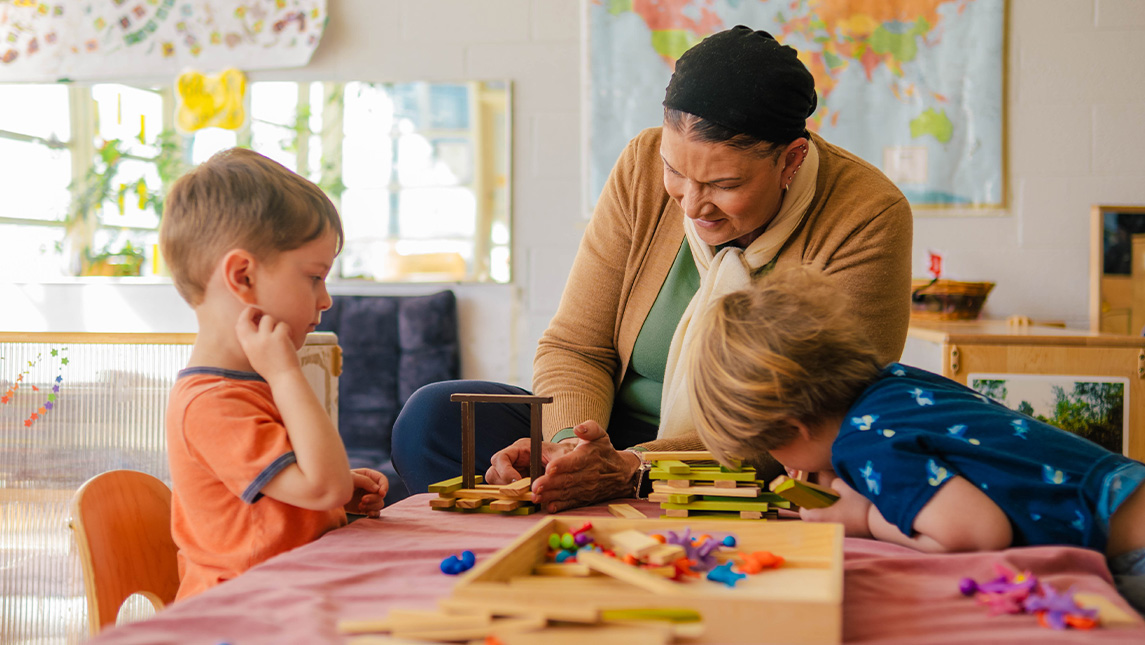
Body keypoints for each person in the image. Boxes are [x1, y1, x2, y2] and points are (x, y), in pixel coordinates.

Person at [391, 25, 913, 512]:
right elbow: (576, 346)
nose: (691, 205)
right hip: (606, 435)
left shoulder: (867, 215)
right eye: (675, 171)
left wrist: (638, 468)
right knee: (432, 419)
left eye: (724, 185)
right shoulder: (639, 165)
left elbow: (823, 418)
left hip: (753, 458)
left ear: (791, 160)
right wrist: (572, 447)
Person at [687, 266, 1145, 615]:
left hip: (1131, 555)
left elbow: (975, 534)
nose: (779, 461)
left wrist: (865, 515)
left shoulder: (864, 444)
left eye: (771, 446)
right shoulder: (893, 383)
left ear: (795, 427)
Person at [160, 148, 388, 600]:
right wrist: (287, 373)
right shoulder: (210, 403)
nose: (326, 300)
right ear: (242, 276)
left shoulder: (246, 384)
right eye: (314, 277)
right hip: (239, 610)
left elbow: (313, 491)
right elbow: (324, 486)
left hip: (290, 590)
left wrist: (336, 496)